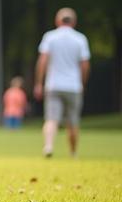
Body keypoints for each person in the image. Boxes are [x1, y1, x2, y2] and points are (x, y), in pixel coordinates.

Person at [34, 8, 90, 158]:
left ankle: (48, 146)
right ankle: (73, 153)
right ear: (74, 22)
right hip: (73, 86)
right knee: (72, 122)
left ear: (58, 21)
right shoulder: (80, 39)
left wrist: (39, 83)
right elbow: (84, 64)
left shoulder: (50, 37)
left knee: (51, 119)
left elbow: (43, 60)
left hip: (53, 85)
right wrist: (82, 83)